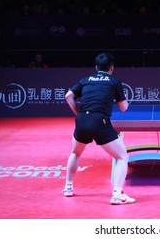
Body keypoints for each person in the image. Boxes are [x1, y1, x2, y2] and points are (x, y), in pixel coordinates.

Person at [62, 52, 135, 205]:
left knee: (75, 152)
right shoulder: (114, 81)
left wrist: (78, 113)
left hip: (82, 120)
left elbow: (68, 96)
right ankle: (116, 195)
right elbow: (123, 107)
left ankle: (68, 188)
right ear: (112, 68)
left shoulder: (86, 80)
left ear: (96, 67)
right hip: (99, 121)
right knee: (122, 157)